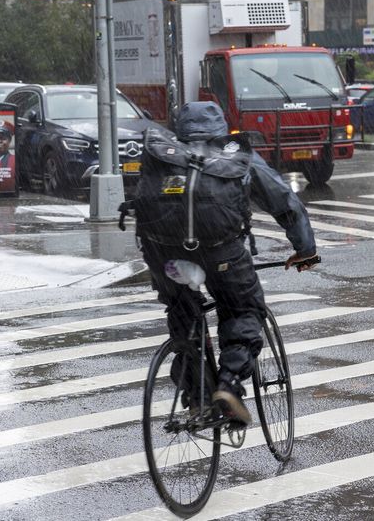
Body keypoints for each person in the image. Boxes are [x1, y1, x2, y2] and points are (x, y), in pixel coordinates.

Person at [129, 101, 318, 427]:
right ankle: (229, 386)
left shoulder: (162, 153)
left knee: (183, 314)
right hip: (221, 253)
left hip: (164, 253)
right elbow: (284, 200)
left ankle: (197, 395)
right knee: (243, 309)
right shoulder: (235, 154)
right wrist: (304, 249)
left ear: (179, 128)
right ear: (222, 128)